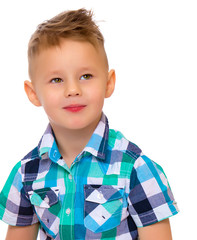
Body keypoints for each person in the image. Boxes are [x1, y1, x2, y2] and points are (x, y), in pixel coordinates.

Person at [0, 8, 178, 240]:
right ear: (33, 93)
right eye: (56, 79)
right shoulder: (26, 173)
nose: (73, 90)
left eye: (86, 76)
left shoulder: (136, 169)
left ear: (108, 83)